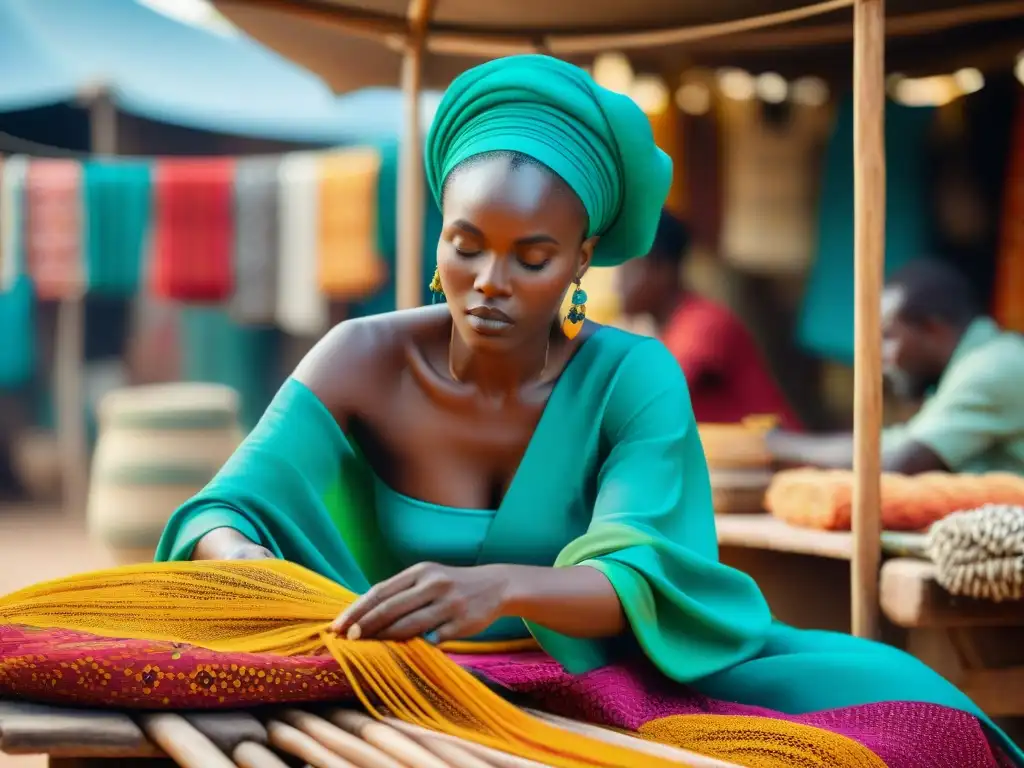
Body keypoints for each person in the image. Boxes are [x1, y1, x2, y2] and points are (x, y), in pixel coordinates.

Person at [155, 56, 1020, 766]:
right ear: (439, 234)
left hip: (605, 688)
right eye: (466, 245)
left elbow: (646, 567)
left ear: (582, 258)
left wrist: (498, 588)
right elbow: (223, 508)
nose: (489, 283)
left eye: (531, 256)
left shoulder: (633, 376)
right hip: (400, 686)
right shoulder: (359, 357)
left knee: (918, 739)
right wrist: (249, 564)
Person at [768, 259, 1024, 475]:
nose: (879, 355)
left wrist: (778, 448)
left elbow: (900, 462)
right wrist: (784, 444)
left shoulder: (990, 369)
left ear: (933, 330)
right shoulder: (987, 359)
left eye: (888, 336)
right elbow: (894, 443)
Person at [616, 209, 802, 429]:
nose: (618, 284)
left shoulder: (704, 323)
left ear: (662, 270)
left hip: (782, 456)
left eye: (628, 270)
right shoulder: (666, 329)